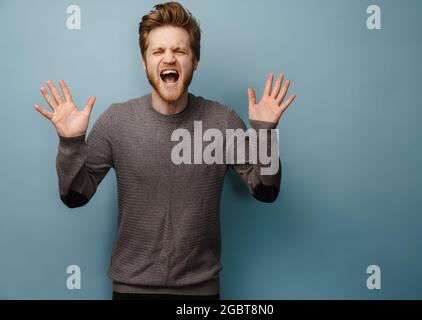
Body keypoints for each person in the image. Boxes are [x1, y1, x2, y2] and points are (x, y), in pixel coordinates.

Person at [33, 1, 296, 300]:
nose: (168, 58)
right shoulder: (116, 121)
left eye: (180, 51)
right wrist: (70, 143)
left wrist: (265, 133)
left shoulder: (222, 121)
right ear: (144, 62)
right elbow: (74, 196)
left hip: (200, 294)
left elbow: (266, 191)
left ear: (194, 60)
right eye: (157, 51)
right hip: (130, 290)